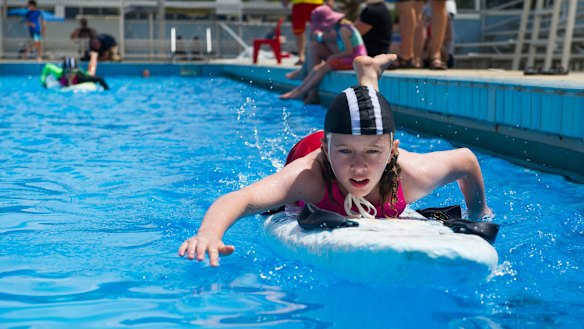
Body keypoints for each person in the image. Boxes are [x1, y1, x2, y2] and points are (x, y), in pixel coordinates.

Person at [178, 54, 492, 266]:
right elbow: (242, 199)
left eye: (374, 154)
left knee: (367, 119)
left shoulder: (411, 174)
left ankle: (368, 75)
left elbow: (466, 161)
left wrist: (478, 210)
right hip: (313, 144)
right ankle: (365, 81)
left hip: (351, 137)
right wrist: (209, 233)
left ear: (394, 150)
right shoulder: (309, 176)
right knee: (363, 129)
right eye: (345, 154)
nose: (359, 167)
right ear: (328, 150)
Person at [280, 5, 367, 103]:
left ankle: (299, 91)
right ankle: (299, 89)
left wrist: (334, 56)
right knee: (317, 68)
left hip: (355, 60)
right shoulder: (341, 27)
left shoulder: (343, 30)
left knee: (322, 69)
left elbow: (349, 52)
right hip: (351, 58)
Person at [281, 0, 332, 65]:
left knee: (319, 31)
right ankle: (301, 57)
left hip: (315, 4)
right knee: (298, 31)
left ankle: (320, 56)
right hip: (299, 4)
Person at [40, 52, 110, 90]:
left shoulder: (80, 77)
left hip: (81, 73)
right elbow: (48, 67)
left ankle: (94, 56)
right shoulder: (59, 73)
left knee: (91, 72)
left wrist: (107, 90)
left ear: (76, 71)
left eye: (72, 72)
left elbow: (100, 79)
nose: (70, 75)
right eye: (68, 72)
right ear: (63, 71)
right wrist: (43, 81)